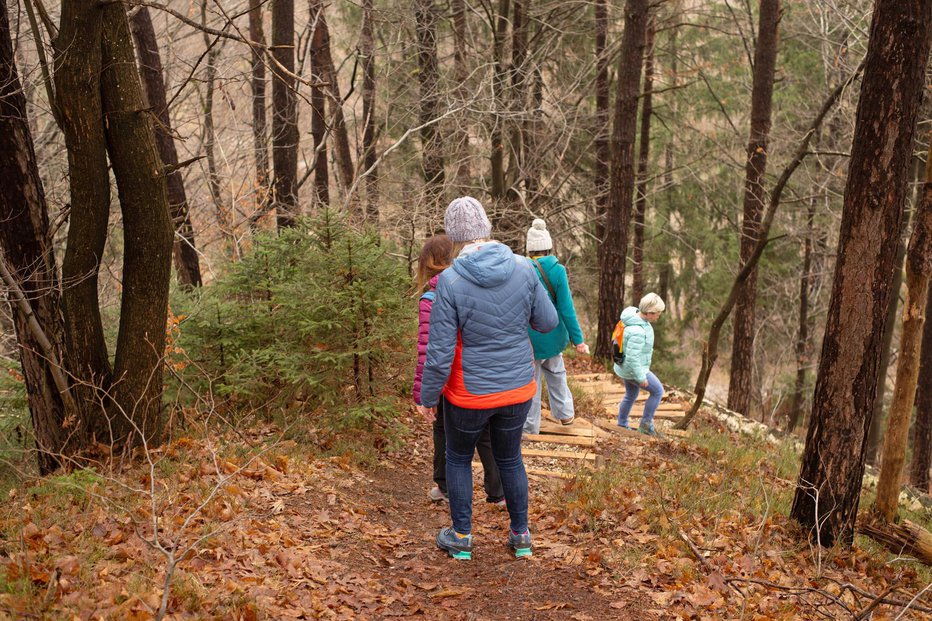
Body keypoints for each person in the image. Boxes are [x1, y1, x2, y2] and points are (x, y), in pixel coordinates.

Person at [417, 197, 558, 561]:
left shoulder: (448, 281)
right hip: (517, 387)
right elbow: (547, 322)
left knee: (458, 458)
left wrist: (428, 397)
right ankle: (521, 535)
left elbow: (440, 352)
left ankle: (462, 537)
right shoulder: (525, 268)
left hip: (469, 393)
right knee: (510, 458)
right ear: (487, 227)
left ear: (454, 236)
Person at [411, 234, 505, 507]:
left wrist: (423, 393)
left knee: (443, 431)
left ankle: (444, 487)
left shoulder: (431, 296)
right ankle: (497, 492)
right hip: (479, 372)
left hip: (448, 377)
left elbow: (427, 349)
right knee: (485, 432)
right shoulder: (473, 286)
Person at [523, 218, 589, 435]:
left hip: (529, 338)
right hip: (553, 334)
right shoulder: (558, 270)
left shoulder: (522, 269)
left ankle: (531, 425)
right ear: (549, 246)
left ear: (529, 249)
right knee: (557, 373)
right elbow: (567, 308)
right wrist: (578, 340)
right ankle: (565, 414)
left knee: (531, 382)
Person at [614, 292, 666, 436]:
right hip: (633, 369)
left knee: (631, 394)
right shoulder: (637, 331)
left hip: (624, 367)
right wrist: (640, 377)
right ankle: (645, 424)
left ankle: (622, 424)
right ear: (649, 313)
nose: (658, 316)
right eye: (657, 313)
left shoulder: (633, 316)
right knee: (657, 391)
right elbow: (632, 358)